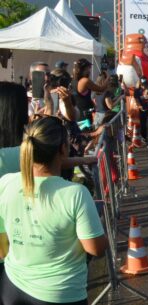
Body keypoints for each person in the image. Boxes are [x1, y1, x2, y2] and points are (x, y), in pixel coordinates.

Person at [0, 116, 107, 305]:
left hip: (12, 287)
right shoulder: (75, 194)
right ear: (63, 149)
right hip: (59, 293)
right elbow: (96, 248)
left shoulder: (6, 182)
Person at [72, 58, 109, 132]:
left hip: (78, 113)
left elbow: (80, 96)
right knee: (87, 136)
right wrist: (108, 78)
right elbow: (101, 89)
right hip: (84, 115)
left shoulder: (73, 80)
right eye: (89, 68)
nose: (90, 70)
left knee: (80, 135)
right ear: (85, 69)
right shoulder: (85, 81)